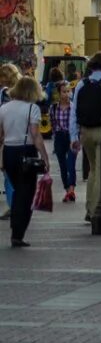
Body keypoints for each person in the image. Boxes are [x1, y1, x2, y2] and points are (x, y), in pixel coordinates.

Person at [1, 77, 52, 246]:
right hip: (26, 152)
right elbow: (36, 135)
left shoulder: (4, 108)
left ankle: (16, 227)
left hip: (9, 151)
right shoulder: (32, 108)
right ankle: (18, 232)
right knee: (26, 193)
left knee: (17, 190)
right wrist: (44, 156)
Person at [69, 52, 101, 222]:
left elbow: (74, 112)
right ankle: (96, 210)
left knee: (93, 169)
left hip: (85, 132)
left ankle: (89, 207)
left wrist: (74, 136)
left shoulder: (81, 84)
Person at [48, 80, 76, 203]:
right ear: (59, 93)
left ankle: (71, 190)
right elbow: (53, 124)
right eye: (64, 92)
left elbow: (77, 123)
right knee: (63, 166)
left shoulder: (74, 107)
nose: (66, 94)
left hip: (71, 137)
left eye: (68, 91)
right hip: (60, 137)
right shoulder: (53, 107)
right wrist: (55, 138)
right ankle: (67, 189)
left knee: (71, 164)